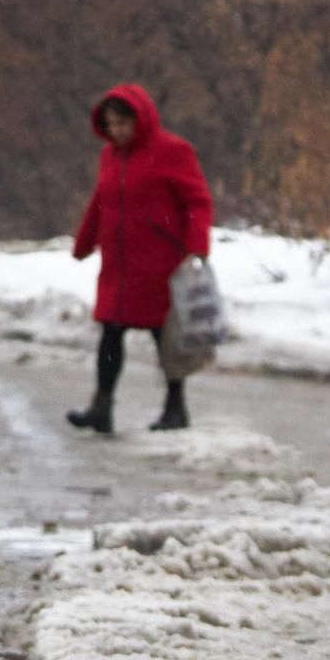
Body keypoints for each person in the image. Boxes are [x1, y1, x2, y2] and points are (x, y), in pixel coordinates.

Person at [67, 83, 212, 436]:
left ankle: (175, 407)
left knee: (166, 336)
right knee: (110, 332)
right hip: (118, 264)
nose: (117, 131)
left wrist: (197, 244)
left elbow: (197, 201)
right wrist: (84, 242)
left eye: (123, 124)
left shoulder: (174, 151)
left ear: (141, 119)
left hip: (159, 262)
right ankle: (102, 406)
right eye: (112, 124)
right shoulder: (110, 156)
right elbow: (100, 202)